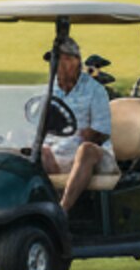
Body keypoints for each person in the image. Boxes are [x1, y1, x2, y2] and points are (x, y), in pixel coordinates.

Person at [45, 37, 114, 212]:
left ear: (77, 61)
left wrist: (90, 133)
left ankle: (63, 210)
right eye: (56, 61)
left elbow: (102, 132)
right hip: (56, 151)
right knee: (36, 151)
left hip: (92, 155)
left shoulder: (95, 90)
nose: (60, 65)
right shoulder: (48, 90)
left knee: (86, 149)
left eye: (66, 60)